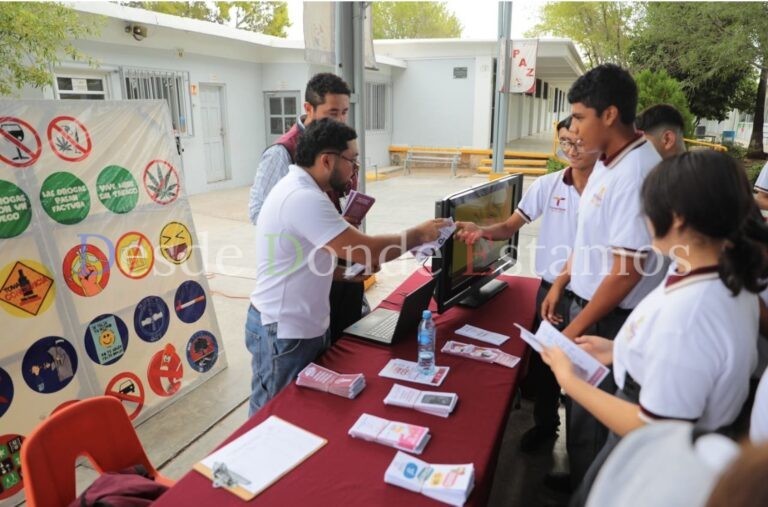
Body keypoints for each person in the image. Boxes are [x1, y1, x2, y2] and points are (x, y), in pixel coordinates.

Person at [542, 150, 768, 506]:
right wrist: (617, 350)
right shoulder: (716, 273)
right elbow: (691, 361)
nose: (643, 218)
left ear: (676, 217)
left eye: (646, 208)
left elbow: (653, 428)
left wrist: (568, 379)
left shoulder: (689, 315)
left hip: (661, 464)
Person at [246, 118, 446, 416]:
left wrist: (341, 274)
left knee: (299, 414)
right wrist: (420, 234)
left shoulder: (308, 189)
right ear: (327, 160)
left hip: (303, 325)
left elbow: (303, 258)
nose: (355, 171)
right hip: (283, 331)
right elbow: (366, 251)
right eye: (352, 161)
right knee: (272, 416)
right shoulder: (302, 197)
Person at [541, 63, 665, 489]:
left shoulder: (634, 173)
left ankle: (587, 491)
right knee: (578, 413)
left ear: (609, 115)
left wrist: (573, 328)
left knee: (595, 419)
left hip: (611, 316)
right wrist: (561, 282)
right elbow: (588, 238)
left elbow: (626, 273)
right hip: (590, 305)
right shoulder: (609, 162)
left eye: (578, 117)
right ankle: (577, 479)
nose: (572, 129)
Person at [455, 116, 599, 452]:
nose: (571, 149)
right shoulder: (547, 186)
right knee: (547, 365)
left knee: (583, 370)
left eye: (578, 141)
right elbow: (509, 226)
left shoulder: (607, 189)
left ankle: (583, 450)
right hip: (551, 292)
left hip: (592, 294)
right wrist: (482, 230)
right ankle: (547, 426)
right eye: (565, 142)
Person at [248, 72, 365, 344]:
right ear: (308, 109)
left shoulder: (341, 146)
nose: (339, 120)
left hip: (330, 272)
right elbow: (258, 212)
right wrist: (316, 223)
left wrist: (338, 222)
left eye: (344, 113)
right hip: (296, 291)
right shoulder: (282, 153)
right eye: (332, 112)